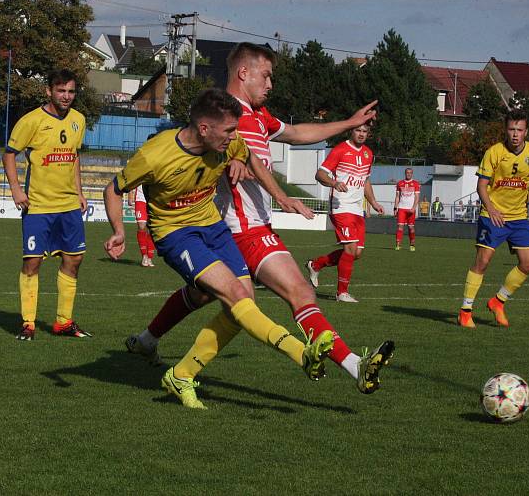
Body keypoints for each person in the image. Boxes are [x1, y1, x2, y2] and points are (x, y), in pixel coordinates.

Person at [124, 42, 393, 395]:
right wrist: (231, 160)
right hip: (236, 228)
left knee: (202, 296)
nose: (270, 85)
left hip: (252, 225)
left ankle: (148, 341)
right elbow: (193, 149)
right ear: (243, 73)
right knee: (295, 292)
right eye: (266, 76)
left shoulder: (258, 116)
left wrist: (349, 122)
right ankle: (354, 364)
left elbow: (297, 134)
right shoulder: (223, 115)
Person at [103, 88, 335, 409]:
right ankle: (301, 353)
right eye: (228, 131)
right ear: (204, 129)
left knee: (240, 307)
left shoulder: (229, 141)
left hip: (213, 227)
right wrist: (118, 231)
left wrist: (266, 183)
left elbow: (248, 153)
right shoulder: (154, 155)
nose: (233, 137)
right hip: (176, 234)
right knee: (238, 299)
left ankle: (181, 375)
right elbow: (113, 190)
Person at [2, 69, 91, 341]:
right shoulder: (31, 121)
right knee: (32, 263)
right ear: (49, 91)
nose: (66, 96)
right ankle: (28, 323)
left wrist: (79, 191)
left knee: (73, 260)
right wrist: (16, 189)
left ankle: (63, 322)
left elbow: (74, 156)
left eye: (71, 91)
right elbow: (9, 155)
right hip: (39, 206)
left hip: (68, 205)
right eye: (61, 90)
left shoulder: (79, 120)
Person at [457, 109, 529, 328]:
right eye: (511, 129)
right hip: (493, 216)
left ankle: (498, 301)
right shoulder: (494, 152)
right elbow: (481, 186)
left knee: (528, 263)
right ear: (505, 130)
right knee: (483, 261)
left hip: (519, 217)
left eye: (519, 130)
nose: (515, 134)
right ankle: (465, 311)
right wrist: (491, 209)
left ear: (526, 131)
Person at [306, 123, 385, 303]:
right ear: (352, 131)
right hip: (340, 206)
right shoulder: (340, 150)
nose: (361, 134)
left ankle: (315, 264)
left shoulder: (368, 154)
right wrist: (334, 183)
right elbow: (320, 174)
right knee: (350, 248)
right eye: (358, 130)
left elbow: (365, 180)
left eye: (365, 131)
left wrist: (373, 202)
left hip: (357, 209)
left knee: (356, 253)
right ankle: (342, 293)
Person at [127, 185, 155, 267]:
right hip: (140, 199)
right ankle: (144, 256)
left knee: (151, 228)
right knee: (142, 226)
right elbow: (131, 182)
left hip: (153, 201)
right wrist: (130, 196)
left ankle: (150, 257)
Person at [393, 167, 420, 251]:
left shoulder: (415, 183)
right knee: (400, 227)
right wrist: (395, 208)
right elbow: (397, 197)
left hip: (411, 209)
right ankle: (398, 244)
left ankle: (412, 245)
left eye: (410, 173)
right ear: (405, 173)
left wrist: (414, 208)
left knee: (411, 228)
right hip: (401, 208)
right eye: (407, 172)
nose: (408, 174)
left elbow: (417, 197)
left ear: (412, 174)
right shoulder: (400, 183)